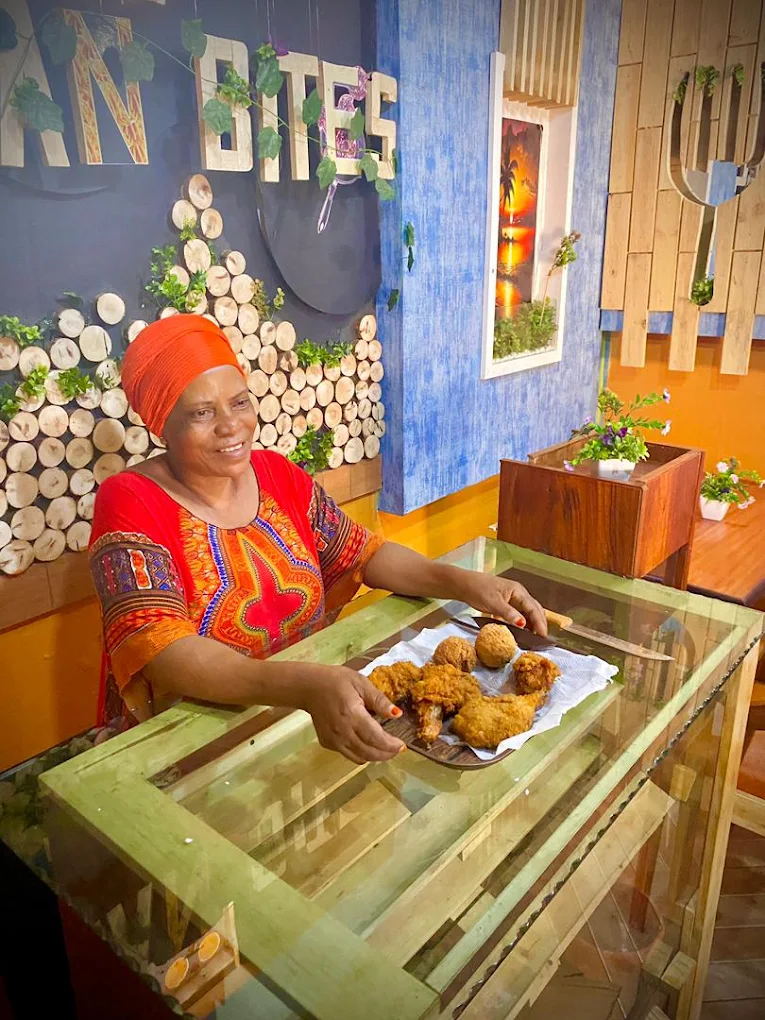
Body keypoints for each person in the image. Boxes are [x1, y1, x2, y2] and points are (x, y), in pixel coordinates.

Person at [89, 315, 547, 764]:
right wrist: (303, 685)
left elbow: (364, 553)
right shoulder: (130, 500)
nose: (230, 426)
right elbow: (164, 651)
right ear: (161, 424)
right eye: (201, 413)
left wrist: (466, 583)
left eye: (240, 402)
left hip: (305, 721)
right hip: (199, 750)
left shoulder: (276, 475)